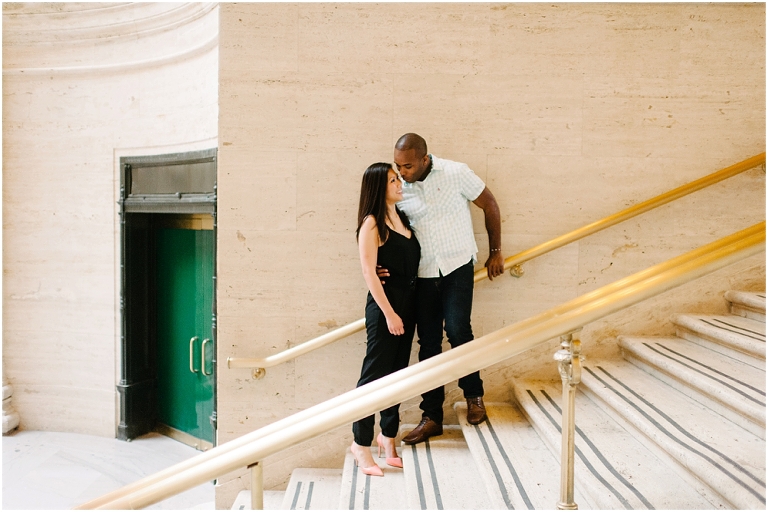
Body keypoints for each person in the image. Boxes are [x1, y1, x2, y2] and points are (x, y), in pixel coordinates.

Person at [383, 133, 504, 445]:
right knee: (428, 345)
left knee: (459, 329)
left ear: (425, 159)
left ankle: (475, 397)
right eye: (398, 166)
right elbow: (383, 228)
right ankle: (432, 416)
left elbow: (489, 203)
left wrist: (495, 251)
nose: (402, 172)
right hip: (422, 275)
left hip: (457, 266)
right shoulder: (397, 188)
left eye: (408, 166)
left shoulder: (455, 172)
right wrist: (381, 267)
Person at [350, 162, 421, 476]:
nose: (399, 183)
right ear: (380, 187)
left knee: (397, 375)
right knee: (373, 379)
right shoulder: (371, 224)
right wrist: (390, 313)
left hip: (407, 305)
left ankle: (388, 438)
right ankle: (360, 444)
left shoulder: (402, 216)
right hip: (385, 309)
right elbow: (369, 272)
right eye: (393, 180)